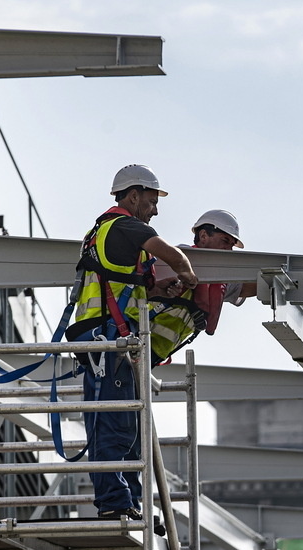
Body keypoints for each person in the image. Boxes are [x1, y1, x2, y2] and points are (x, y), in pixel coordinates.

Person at [68, 164, 198, 520]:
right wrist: (185, 271)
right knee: (114, 425)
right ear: (134, 194)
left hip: (115, 341)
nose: (154, 210)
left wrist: (157, 289)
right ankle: (116, 504)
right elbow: (169, 252)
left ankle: (131, 502)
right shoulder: (123, 226)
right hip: (107, 342)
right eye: (152, 201)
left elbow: (124, 284)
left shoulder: (111, 235)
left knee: (130, 425)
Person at [148, 209, 255, 365]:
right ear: (204, 236)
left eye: (232, 245)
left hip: (153, 353)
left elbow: (248, 286)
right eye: (225, 241)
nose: (229, 250)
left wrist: (284, 280)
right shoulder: (178, 259)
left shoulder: (218, 280)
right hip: (131, 338)